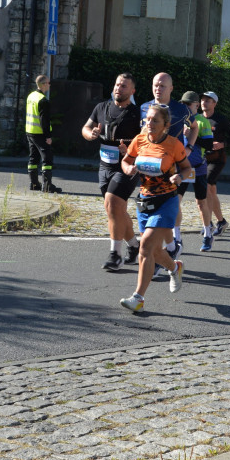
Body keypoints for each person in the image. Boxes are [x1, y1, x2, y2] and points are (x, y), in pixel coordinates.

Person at [118, 103, 193, 312]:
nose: (149, 123)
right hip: (144, 200)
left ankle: (138, 298)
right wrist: (128, 168)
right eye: (147, 119)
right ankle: (174, 267)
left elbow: (187, 168)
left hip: (166, 200)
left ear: (166, 125)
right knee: (153, 250)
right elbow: (126, 160)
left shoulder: (174, 145)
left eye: (155, 120)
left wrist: (180, 176)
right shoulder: (139, 140)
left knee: (145, 247)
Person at [82, 72, 142, 271]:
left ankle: (115, 254)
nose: (119, 88)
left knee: (113, 202)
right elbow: (86, 127)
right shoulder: (102, 107)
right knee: (115, 210)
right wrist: (91, 135)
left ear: (132, 91)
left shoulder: (136, 113)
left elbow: (144, 141)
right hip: (105, 166)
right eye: (117, 85)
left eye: (124, 86)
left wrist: (131, 149)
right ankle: (134, 245)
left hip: (127, 166)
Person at [141, 73, 197, 262]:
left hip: (173, 168)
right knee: (156, 210)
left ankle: (169, 245)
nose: (158, 88)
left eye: (163, 86)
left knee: (167, 206)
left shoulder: (181, 110)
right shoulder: (144, 107)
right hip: (149, 169)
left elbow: (194, 127)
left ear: (171, 89)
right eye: (156, 85)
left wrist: (189, 147)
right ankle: (171, 247)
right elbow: (141, 136)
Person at [177, 92, 215, 251]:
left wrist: (192, 134)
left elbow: (210, 144)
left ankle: (208, 233)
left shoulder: (202, 121)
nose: (185, 107)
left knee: (201, 203)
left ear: (196, 106)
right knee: (175, 202)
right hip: (181, 168)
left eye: (188, 104)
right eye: (183, 104)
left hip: (198, 169)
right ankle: (176, 237)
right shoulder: (178, 120)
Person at [200, 91, 230, 237]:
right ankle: (221, 221)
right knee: (211, 192)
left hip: (217, 160)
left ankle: (208, 224)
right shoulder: (197, 119)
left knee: (207, 186)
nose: (205, 102)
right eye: (203, 100)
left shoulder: (221, 120)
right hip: (201, 159)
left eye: (208, 100)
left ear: (214, 104)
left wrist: (222, 144)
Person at [25, 74, 62, 193]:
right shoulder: (43, 100)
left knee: (33, 157)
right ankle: (47, 186)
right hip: (40, 133)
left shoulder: (31, 96)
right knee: (47, 158)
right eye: (48, 83)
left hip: (29, 131)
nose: (49, 85)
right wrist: (48, 136)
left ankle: (34, 183)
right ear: (42, 84)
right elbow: (44, 120)